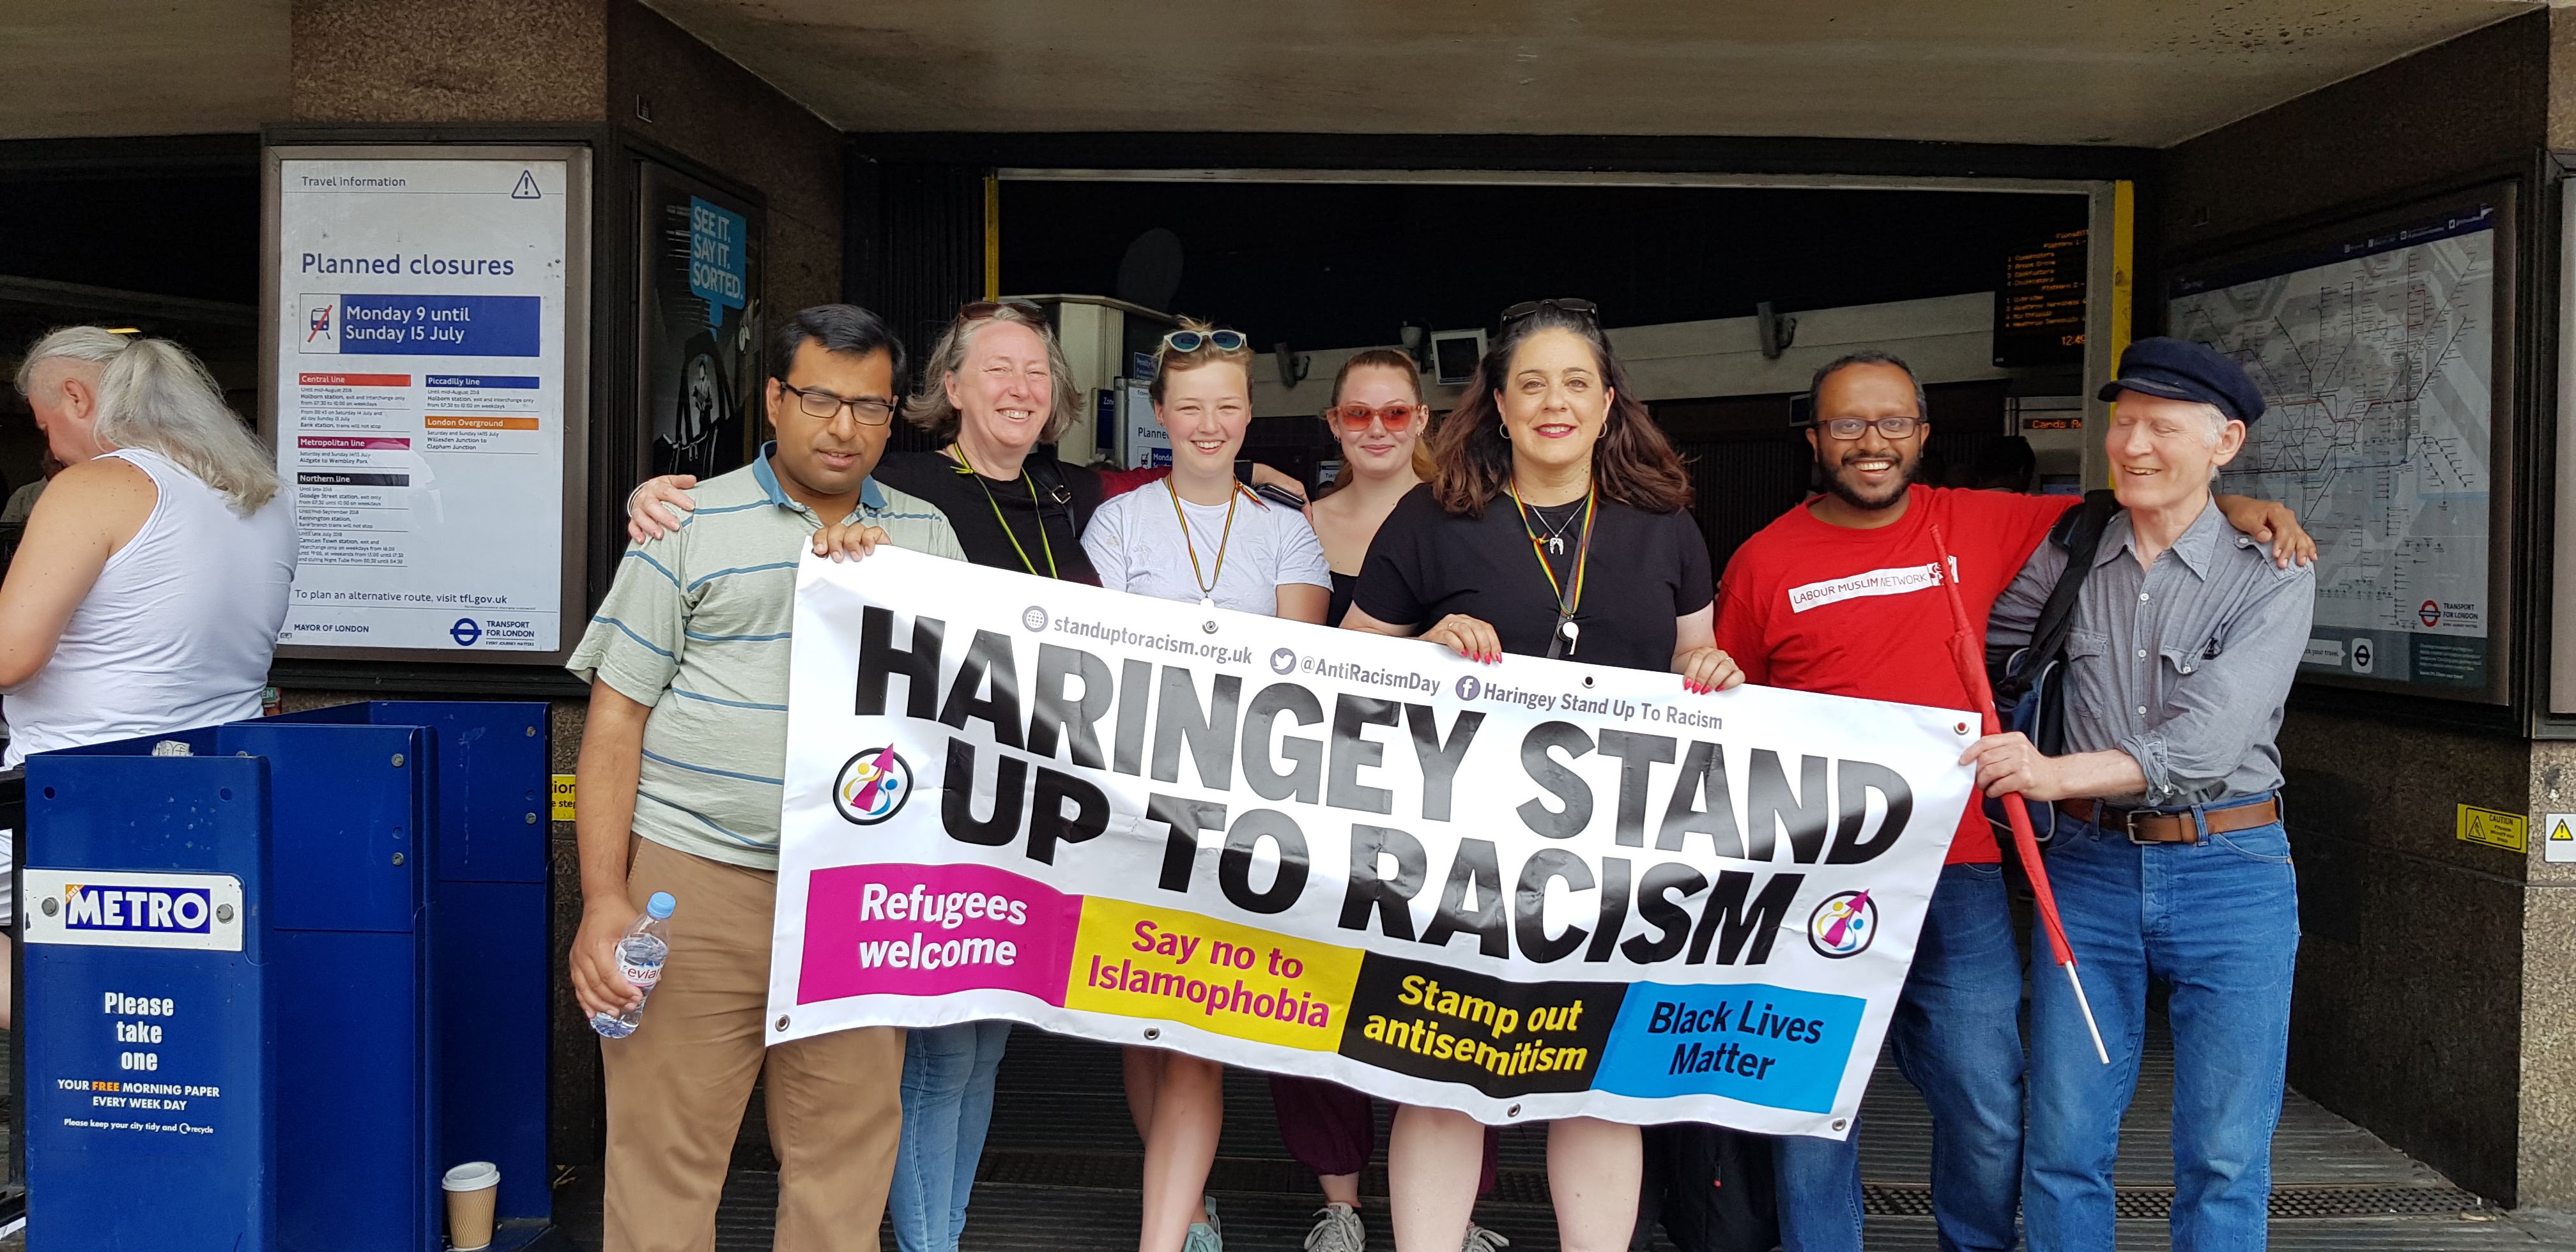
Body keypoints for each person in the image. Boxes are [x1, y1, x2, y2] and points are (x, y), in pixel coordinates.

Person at [1713, 349, 2310, 1252]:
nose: (1871, 441)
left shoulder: (1987, 524)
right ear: (1815, 438)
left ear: (1923, 433)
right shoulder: (1767, 560)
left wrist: (2236, 507)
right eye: (1847, 423)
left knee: (2002, 1104)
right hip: (1831, 869)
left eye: (1892, 422)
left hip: (1996, 866)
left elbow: (2146, 508)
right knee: (1822, 1099)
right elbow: (1731, 717)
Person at [1343, 299, 1741, 1252]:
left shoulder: (1666, 526)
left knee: (1596, 1085)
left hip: (1617, 861)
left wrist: (1711, 669)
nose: (1553, 403)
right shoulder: (1431, 519)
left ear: (1607, 403)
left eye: (1574, 384)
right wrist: (1425, 647)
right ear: (1499, 405)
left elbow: (1694, 661)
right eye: (1531, 384)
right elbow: (1346, 668)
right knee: (1441, 1078)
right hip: (1453, 860)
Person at [567, 304, 966, 1252]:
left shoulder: (924, 535)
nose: (845, 428)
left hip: (857, 894)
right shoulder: (685, 521)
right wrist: (603, 897)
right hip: (696, 881)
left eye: (870, 407)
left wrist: (888, 593)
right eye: (822, 400)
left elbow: (970, 718)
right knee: (663, 1159)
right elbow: (615, 720)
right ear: (776, 401)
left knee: (845, 1168)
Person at [1966, 338, 2314, 1251]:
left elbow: (2205, 746)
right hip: (2087, 871)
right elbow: (1957, 642)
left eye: (2163, 427)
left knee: (2226, 1153)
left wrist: (2050, 774)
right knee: (2065, 1140)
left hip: (2232, 868)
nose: (2133, 445)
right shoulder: (2069, 554)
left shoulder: (2272, 570)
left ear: (2225, 443)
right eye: (2124, 424)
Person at [1080, 320, 1332, 1252]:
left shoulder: (1286, 530)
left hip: (1240, 809)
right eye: (1191, 407)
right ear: (1160, 413)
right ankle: (1184, 1204)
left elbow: (1300, 669)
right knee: (1138, 1019)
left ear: (1251, 412)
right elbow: (1098, 659)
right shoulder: (1118, 523)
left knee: (1197, 1025)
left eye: (1227, 406)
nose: (1211, 424)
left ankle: (1173, 1226)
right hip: (1134, 803)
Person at [0, 328, 295, 1031]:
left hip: (72, 805)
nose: (53, 450)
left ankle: (83, 1030)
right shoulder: (266, 498)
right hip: (212, 804)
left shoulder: (93, 488)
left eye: (46, 425)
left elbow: (10, 656)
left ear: (78, 397)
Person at [1288, 348, 1505, 1252]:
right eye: (1357, 413)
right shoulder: (1294, 528)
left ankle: (1455, 1213)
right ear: (1334, 425)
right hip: (1327, 799)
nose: (1376, 428)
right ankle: (1340, 1202)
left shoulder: (1475, 520)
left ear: (1423, 419)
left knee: (1457, 1001)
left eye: (1394, 412)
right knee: (1312, 991)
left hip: (1451, 806)